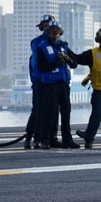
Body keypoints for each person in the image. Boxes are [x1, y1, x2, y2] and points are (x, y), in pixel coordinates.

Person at [35, 20, 79, 149]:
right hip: (50, 84)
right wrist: (55, 63)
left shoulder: (64, 46)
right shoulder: (42, 47)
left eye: (57, 32)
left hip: (63, 84)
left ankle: (67, 140)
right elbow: (41, 67)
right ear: (47, 33)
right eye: (52, 32)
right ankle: (45, 140)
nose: (55, 35)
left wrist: (67, 59)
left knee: (66, 112)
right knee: (49, 112)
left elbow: (74, 64)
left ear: (60, 33)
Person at [25, 14, 54, 149]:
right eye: (45, 25)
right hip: (40, 80)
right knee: (38, 109)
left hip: (52, 81)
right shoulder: (38, 42)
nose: (47, 27)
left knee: (51, 110)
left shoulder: (57, 42)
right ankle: (31, 137)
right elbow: (39, 62)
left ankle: (49, 137)